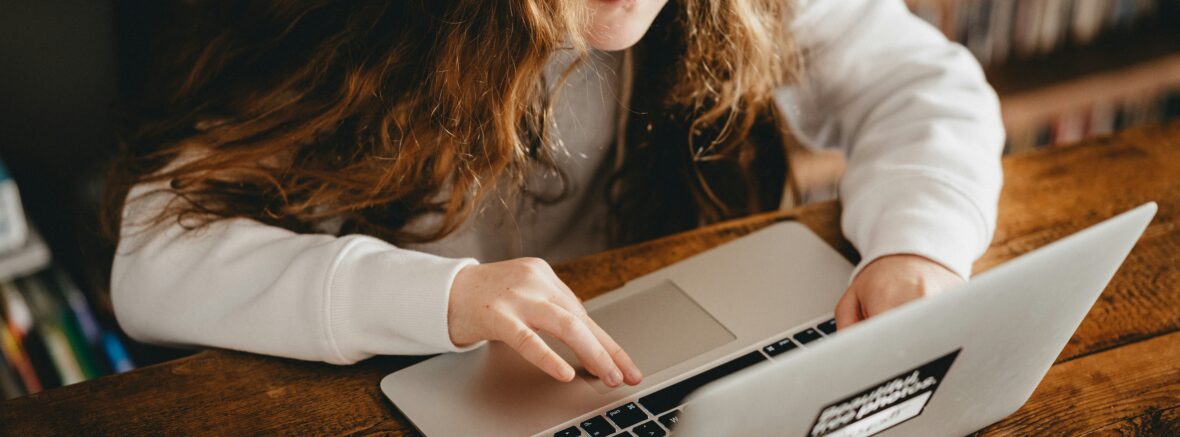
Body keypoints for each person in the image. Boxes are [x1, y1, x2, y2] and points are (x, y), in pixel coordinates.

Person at [106, 0, 1002, 389]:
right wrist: (447, 298)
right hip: (409, 384)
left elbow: (922, 84)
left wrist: (918, 246)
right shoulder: (349, 27)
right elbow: (154, 259)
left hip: (661, 368)